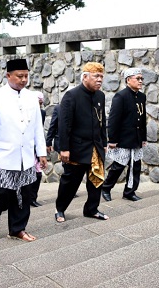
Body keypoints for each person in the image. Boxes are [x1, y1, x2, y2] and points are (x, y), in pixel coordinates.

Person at [0, 58, 47, 242]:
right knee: (2, 192)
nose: (23, 80)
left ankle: (17, 229)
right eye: (19, 76)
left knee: (24, 194)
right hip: (3, 155)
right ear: (8, 76)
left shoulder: (31, 97)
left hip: (26, 156)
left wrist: (41, 152)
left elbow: (37, 128)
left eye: (26, 76)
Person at [54, 62, 109, 223]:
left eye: (101, 77)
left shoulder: (101, 96)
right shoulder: (71, 96)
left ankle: (92, 209)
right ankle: (60, 209)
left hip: (95, 147)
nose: (99, 80)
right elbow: (64, 125)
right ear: (85, 77)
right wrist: (64, 148)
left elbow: (102, 121)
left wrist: (104, 143)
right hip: (76, 148)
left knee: (96, 181)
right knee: (70, 182)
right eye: (96, 76)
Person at [102, 68, 147, 202]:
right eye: (137, 78)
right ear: (128, 80)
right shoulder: (120, 96)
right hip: (123, 138)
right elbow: (114, 119)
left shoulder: (142, 96)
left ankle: (129, 192)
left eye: (141, 79)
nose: (140, 81)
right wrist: (113, 140)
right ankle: (106, 188)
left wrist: (143, 137)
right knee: (119, 166)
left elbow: (142, 118)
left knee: (136, 166)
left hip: (137, 138)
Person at [29, 91, 47, 207]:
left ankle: (32, 198)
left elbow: (39, 132)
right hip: (26, 147)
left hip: (36, 148)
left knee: (38, 174)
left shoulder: (42, 112)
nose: (39, 103)